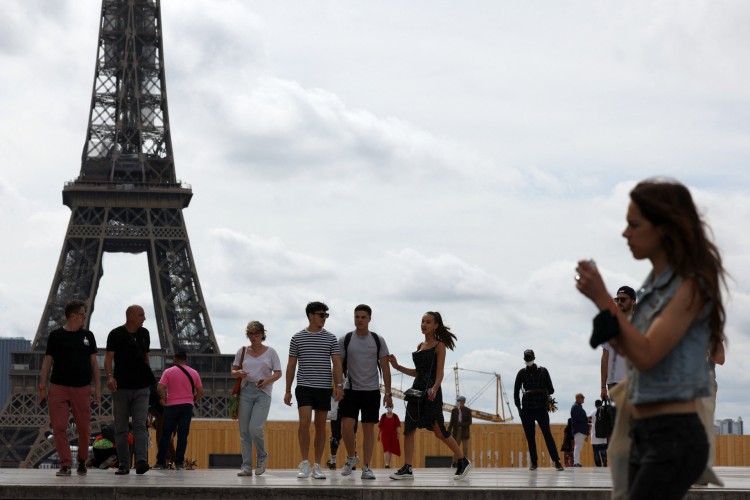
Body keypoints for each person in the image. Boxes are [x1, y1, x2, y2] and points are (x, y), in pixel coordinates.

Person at [576, 177, 727, 499]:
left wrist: (603, 298)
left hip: (673, 437)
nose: (625, 233)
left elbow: (645, 355)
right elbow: (632, 351)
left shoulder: (688, 286)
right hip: (646, 432)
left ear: (663, 228)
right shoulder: (653, 288)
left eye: (634, 224)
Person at [387, 311, 472, 480]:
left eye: (428, 322)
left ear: (436, 325)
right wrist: (397, 366)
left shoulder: (440, 346)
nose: (423, 324)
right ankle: (408, 468)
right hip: (416, 392)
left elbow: (439, 373)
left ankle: (462, 460)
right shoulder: (420, 345)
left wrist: (434, 388)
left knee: (439, 432)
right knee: (409, 430)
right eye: (422, 321)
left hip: (432, 393)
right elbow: (418, 373)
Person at [38, 299, 101, 476]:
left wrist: (97, 389)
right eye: (82, 314)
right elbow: (47, 362)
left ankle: (81, 460)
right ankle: (65, 464)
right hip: (58, 387)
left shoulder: (88, 336)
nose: (84, 317)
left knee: (84, 429)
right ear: (72, 316)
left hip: (82, 388)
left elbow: (95, 364)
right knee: (58, 427)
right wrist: (42, 388)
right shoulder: (55, 335)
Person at [284, 302, 344, 480]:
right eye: (321, 314)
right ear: (311, 315)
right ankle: (304, 462)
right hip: (304, 386)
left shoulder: (331, 338)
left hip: (324, 387)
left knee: (320, 426)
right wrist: (287, 390)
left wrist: (339, 386)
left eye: (326, 315)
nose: (324, 318)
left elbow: (337, 363)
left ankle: (317, 465)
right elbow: (291, 364)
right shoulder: (297, 338)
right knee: (304, 423)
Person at [338, 304, 393, 480]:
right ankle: (350, 457)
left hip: (371, 391)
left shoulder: (378, 340)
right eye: (357, 317)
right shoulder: (345, 339)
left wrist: (388, 393)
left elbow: (385, 368)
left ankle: (367, 467)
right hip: (350, 389)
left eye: (363, 317)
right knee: (346, 426)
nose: (359, 320)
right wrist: (337, 386)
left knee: (368, 428)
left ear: (369, 319)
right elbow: (337, 365)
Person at [104, 304, 155, 475]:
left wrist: (149, 382)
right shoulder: (115, 334)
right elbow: (108, 359)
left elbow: (146, 358)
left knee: (140, 425)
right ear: (131, 316)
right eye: (141, 315)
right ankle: (124, 464)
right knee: (121, 428)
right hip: (121, 388)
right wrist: (110, 377)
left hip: (142, 388)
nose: (144, 318)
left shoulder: (145, 333)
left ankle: (141, 461)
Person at [232, 321, 282, 476]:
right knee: (244, 432)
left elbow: (278, 372)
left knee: (255, 428)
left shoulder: (271, 352)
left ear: (262, 334)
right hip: (245, 391)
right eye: (251, 334)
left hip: (263, 392)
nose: (253, 337)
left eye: (256, 333)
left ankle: (262, 457)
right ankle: (246, 466)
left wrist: (266, 381)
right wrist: (238, 373)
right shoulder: (242, 351)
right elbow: (233, 371)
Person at [513, 349, 564, 471]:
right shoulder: (521, 373)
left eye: (529, 357)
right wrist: (519, 409)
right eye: (526, 358)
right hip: (527, 410)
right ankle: (534, 462)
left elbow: (551, 390)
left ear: (534, 357)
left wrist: (536, 391)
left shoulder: (543, 371)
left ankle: (556, 461)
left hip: (541, 408)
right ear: (524, 359)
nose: (528, 360)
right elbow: (515, 392)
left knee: (547, 435)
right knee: (530, 437)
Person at [153, 351, 204, 470]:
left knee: (166, 434)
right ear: (186, 359)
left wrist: (166, 399)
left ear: (175, 359)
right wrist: (191, 400)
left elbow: (160, 388)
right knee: (183, 435)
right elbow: (201, 392)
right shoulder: (194, 372)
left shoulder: (168, 371)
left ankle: (160, 462)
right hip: (187, 406)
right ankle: (179, 463)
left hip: (171, 406)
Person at [601, 286, 634, 401]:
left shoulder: (641, 323)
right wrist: (603, 386)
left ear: (633, 301)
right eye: (617, 299)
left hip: (634, 381)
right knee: (617, 418)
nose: (619, 302)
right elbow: (605, 357)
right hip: (613, 383)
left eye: (623, 299)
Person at [570, 393, 589, 467]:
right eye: (582, 397)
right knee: (577, 447)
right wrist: (586, 419)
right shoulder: (575, 407)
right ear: (577, 398)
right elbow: (576, 418)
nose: (583, 398)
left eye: (583, 397)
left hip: (581, 430)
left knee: (578, 447)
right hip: (579, 430)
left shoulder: (578, 407)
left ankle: (577, 462)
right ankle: (576, 462)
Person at [590, 399, 608, 467]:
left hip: (594, 435)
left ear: (595, 405)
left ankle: (598, 465)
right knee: (603, 449)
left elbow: (588, 423)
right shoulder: (605, 411)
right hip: (603, 434)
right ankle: (604, 461)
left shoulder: (592, 412)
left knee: (596, 452)